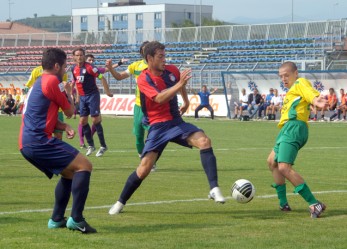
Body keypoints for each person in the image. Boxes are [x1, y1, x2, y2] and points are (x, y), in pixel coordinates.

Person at [108, 41, 225, 215]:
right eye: (160, 56)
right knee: (144, 168)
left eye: (165, 55)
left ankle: (214, 188)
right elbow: (159, 98)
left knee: (204, 141)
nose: (165, 59)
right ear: (149, 58)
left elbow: (180, 84)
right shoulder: (143, 78)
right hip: (157, 126)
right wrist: (179, 85)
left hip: (176, 122)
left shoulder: (172, 70)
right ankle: (120, 202)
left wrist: (185, 101)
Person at [19, 48, 96, 233]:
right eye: (64, 65)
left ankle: (56, 219)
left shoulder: (40, 81)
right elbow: (70, 112)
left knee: (69, 173)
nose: (65, 68)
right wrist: (69, 92)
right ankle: (76, 219)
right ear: (56, 66)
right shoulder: (54, 80)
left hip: (27, 141)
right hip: (38, 141)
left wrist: (63, 127)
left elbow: (40, 116)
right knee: (85, 165)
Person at [267, 61, 328, 218]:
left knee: (284, 167)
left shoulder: (300, 82)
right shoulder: (291, 91)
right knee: (271, 162)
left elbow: (309, 92)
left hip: (294, 128)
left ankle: (315, 204)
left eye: (287, 75)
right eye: (281, 76)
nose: (284, 79)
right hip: (286, 130)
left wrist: (315, 100)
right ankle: (283, 204)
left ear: (296, 73)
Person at [106, 41, 158, 171]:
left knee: (153, 135)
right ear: (141, 52)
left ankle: (150, 160)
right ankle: (143, 158)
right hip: (139, 106)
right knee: (139, 136)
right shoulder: (135, 66)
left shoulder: (158, 66)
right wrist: (111, 68)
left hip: (153, 107)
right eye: (144, 49)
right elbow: (119, 77)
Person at [71, 48, 110, 157]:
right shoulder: (73, 68)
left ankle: (103, 146)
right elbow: (77, 83)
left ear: (84, 56)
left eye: (81, 55)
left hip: (92, 95)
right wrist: (77, 97)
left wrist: (107, 91)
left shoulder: (90, 68)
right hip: (82, 97)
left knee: (95, 119)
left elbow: (102, 77)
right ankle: (91, 145)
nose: (79, 57)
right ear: (73, 57)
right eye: (77, 55)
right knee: (83, 121)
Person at [26, 65, 68, 140]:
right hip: (41, 109)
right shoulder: (36, 71)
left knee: (58, 135)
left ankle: (55, 151)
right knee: (41, 134)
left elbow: (62, 89)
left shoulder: (62, 72)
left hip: (57, 109)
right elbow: (30, 87)